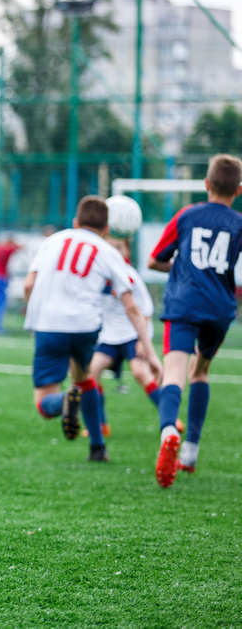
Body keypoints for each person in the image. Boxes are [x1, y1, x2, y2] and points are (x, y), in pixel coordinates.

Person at [23, 196, 162, 462]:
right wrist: (151, 351)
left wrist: (35, 314)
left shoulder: (53, 241)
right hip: (86, 327)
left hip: (50, 324)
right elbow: (132, 305)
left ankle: (64, 400)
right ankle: (97, 448)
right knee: (85, 379)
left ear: (75, 222)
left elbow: (29, 285)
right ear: (107, 228)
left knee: (43, 402)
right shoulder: (108, 251)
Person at [147, 153, 242, 488]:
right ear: (239, 190)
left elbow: (155, 260)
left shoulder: (187, 215)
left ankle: (170, 429)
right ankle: (190, 451)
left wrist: (184, 269)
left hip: (184, 305)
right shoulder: (239, 223)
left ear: (206, 184)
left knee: (174, 373)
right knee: (200, 371)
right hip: (219, 308)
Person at [85, 236, 182, 439]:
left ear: (127, 251)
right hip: (110, 337)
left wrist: (141, 340)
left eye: (119, 248)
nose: (115, 252)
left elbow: (144, 309)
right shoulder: (99, 276)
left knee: (140, 373)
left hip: (132, 334)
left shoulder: (129, 275)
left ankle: (170, 418)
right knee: (92, 371)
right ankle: (101, 424)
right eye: (110, 247)